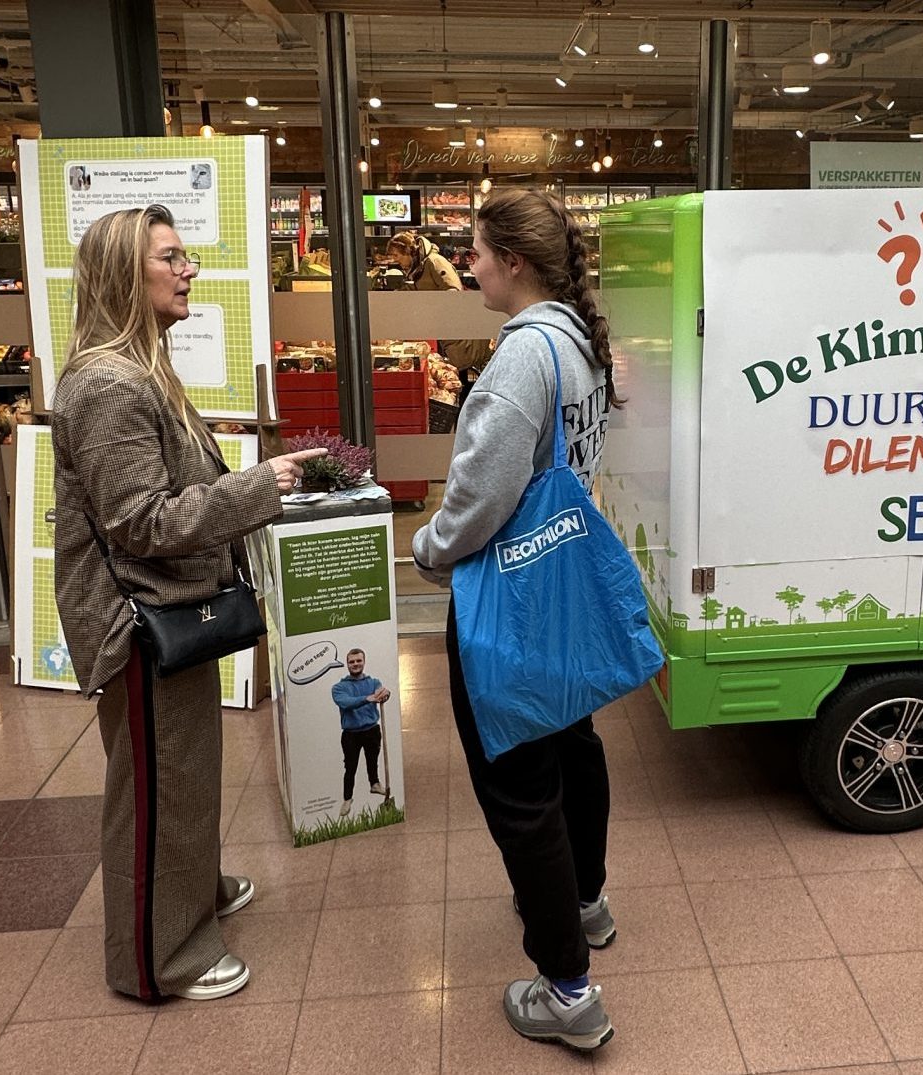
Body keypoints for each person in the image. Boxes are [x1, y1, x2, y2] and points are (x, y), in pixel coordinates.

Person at [51, 204, 325, 1004]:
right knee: (154, 784)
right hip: (135, 618)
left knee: (184, 766)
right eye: (170, 257)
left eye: (185, 254)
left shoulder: (140, 370)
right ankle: (158, 957)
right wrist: (254, 489)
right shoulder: (108, 386)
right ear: (120, 276)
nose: (187, 269)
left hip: (166, 606)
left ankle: (190, 892)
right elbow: (141, 520)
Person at [411, 188, 620, 1051]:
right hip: (566, 588)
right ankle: (586, 898)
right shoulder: (580, 345)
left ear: (516, 262)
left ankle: (569, 990)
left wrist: (428, 546)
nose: (471, 264)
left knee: (519, 786)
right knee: (575, 744)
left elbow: (480, 498)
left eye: (479, 252)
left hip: (511, 602)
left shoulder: (519, 363)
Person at [388, 230, 494, 369]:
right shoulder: (417, 268)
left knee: (458, 368)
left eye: (396, 255)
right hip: (444, 327)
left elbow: (454, 291)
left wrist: (436, 309)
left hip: (456, 328)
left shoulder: (434, 261)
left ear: (408, 251)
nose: (395, 259)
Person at [330, 647, 392, 816]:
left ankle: (374, 784)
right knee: (350, 767)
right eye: (352, 662)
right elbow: (346, 703)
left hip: (372, 730)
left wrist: (385, 694)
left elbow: (381, 693)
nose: (356, 664)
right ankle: (347, 798)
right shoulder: (339, 688)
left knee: (373, 761)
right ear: (347, 664)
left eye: (359, 661)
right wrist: (367, 698)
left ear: (364, 662)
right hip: (351, 734)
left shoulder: (373, 682)